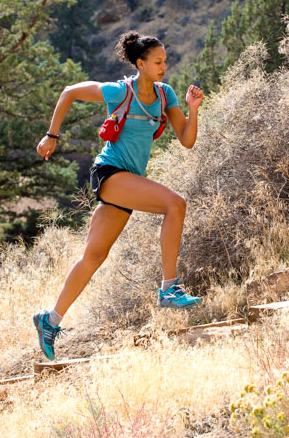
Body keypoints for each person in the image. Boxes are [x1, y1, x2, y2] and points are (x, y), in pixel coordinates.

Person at [31, 31, 205, 359]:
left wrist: (193, 109)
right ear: (140, 64)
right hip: (110, 173)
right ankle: (169, 288)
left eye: (165, 61)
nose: (163, 67)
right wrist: (51, 135)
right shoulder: (118, 91)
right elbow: (69, 92)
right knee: (175, 204)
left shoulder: (166, 95)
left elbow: (187, 139)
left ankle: (50, 320)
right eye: (157, 62)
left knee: (94, 257)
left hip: (127, 182)